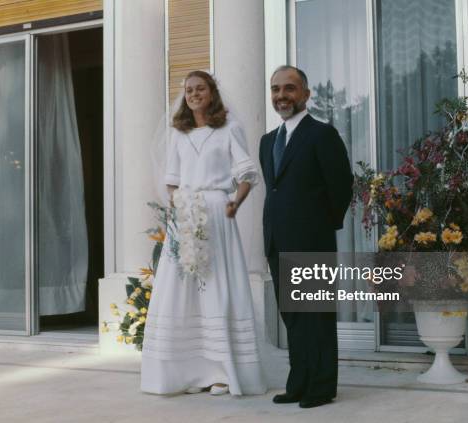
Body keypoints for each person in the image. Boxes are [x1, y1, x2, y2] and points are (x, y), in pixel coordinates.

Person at [141, 70, 267, 396]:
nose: (194, 94)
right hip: (185, 214)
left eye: (200, 88)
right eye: (189, 90)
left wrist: (234, 204)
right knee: (182, 289)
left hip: (216, 211)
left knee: (216, 285)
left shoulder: (229, 129)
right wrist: (179, 205)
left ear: (211, 92)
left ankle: (222, 370)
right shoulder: (179, 135)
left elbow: (246, 173)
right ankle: (188, 371)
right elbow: (171, 179)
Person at [259, 65, 354, 408]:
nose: (281, 96)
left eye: (289, 88)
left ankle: (322, 387)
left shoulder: (321, 135)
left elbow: (341, 187)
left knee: (316, 316)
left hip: (312, 238)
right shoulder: (268, 141)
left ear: (305, 94)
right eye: (275, 89)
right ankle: (298, 382)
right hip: (277, 240)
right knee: (294, 318)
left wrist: (319, 226)